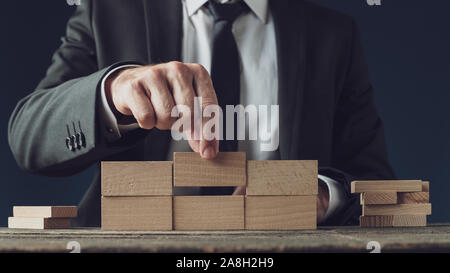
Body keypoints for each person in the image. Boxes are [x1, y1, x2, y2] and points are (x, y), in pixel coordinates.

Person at [8, 0, 396, 227]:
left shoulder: (332, 33)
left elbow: (374, 182)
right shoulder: (107, 10)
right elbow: (28, 136)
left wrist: (321, 194)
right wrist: (113, 91)